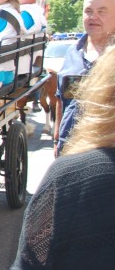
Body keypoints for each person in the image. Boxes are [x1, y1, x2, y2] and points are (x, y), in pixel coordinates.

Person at [11, 46, 115, 269]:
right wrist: (57, 135)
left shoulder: (67, 178)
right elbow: (60, 97)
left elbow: (29, 262)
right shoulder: (73, 53)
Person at [53, 0, 115, 156]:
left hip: (106, 153)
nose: (93, 17)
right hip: (69, 148)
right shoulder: (73, 52)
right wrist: (57, 139)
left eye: (101, 12)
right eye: (88, 11)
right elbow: (61, 98)